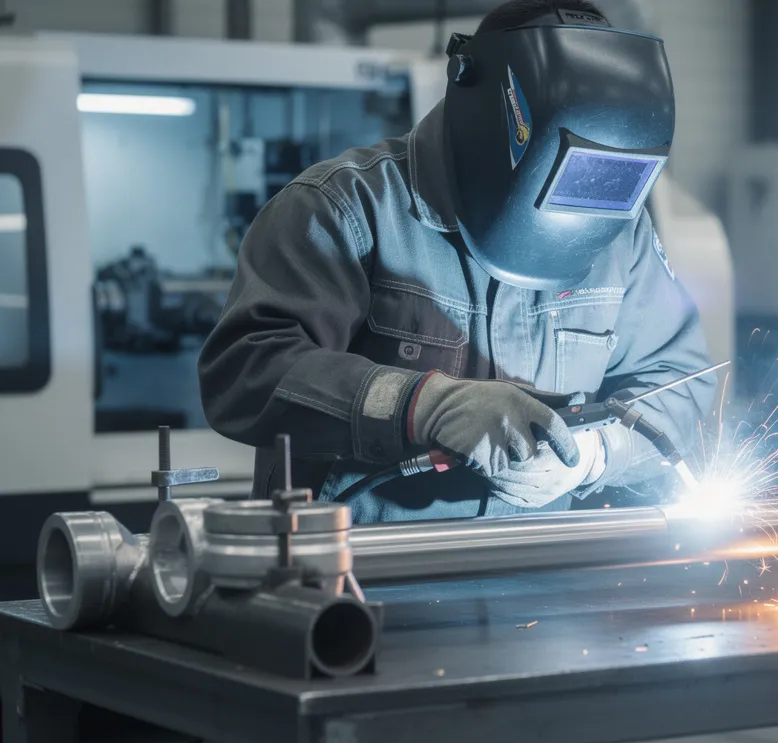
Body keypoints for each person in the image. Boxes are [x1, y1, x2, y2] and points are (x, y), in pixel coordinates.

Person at [199, 0, 714, 545]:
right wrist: (422, 405)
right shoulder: (344, 208)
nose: (582, 203)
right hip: (354, 584)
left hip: (537, 593)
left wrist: (592, 456)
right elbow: (244, 372)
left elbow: (679, 387)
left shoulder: (619, 237)